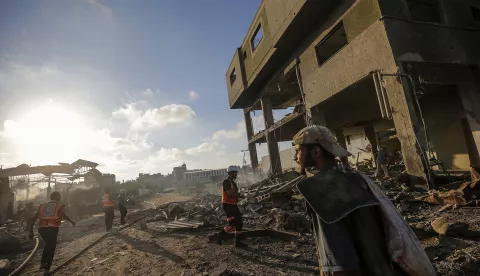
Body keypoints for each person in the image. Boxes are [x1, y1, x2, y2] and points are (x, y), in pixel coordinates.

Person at [293, 125, 406, 275]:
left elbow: (339, 262)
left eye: (298, 151)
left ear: (316, 152)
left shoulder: (322, 190)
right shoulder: (357, 179)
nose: (295, 157)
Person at [29, 191, 75, 275]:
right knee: (51, 247)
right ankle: (47, 268)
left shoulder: (43, 205)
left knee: (48, 245)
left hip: (42, 229)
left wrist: (30, 231)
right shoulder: (59, 205)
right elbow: (63, 215)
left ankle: (43, 263)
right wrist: (71, 221)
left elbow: (33, 218)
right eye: (59, 196)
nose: (60, 198)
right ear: (57, 197)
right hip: (52, 228)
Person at [216, 165, 246, 247]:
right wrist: (240, 194)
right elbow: (229, 193)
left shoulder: (233, 183)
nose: (236, 175)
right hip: (228, 205)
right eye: (235, 173)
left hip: (233, 205)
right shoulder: (226, 181)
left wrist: (243, 195)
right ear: (231, 173)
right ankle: (220, 236)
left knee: (239, 224)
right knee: (232, 225)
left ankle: (237, 243)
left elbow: (235, 194)